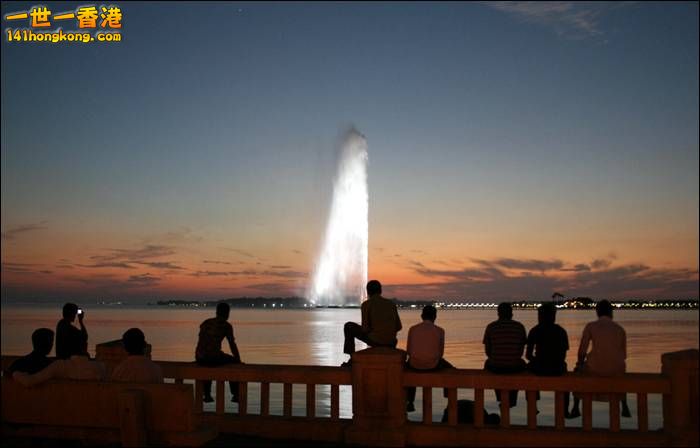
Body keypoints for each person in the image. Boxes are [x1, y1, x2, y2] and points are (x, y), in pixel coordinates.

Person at [569, 299, 631, 418]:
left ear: (597, 312)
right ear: (611, 312)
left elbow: (582, 351)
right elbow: (623, 355)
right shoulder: (620, 329)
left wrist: (580, 364)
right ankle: (624, 404)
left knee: (578, 373)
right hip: (615, 370)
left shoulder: (591, 326)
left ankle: (576, 407)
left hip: (595, 368)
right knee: (622, 371)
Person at [405, 305, 453, 412]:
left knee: (408, 368)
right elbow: (440, 354)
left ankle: (410, 401)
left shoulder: (412, 329)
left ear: (422, 316)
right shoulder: (440, 330)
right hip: (433, 365)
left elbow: (409, 351)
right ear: (435, 317)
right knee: (452, 370)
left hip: (415, 365)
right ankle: (448, 397)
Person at [526, 303, 570, 415]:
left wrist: (537, 360)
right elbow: (563, 355)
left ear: (540, 316)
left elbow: (528, 355)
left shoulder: (535, 330)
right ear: (553, 316)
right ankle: (564, 408)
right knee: (565, 375)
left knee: (527, 372)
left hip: (539, 367)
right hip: (557, 367)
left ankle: (532, 404)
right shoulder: (561, 331)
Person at [343, 280, 402, 363]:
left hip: (376, 341)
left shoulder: (366, 305)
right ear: (380, 291)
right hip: (392, 342)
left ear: (368, 292)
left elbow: (365, 329)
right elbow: (399, 327)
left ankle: (351, 357)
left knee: (348, 326)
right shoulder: (391, 304)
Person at [13, 334, 106, 387]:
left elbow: (30, 381)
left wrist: (15, 373)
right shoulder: (100, 367)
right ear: (84, 347)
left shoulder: (60, 365)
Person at [195, 302, 242, 403]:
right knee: (233, 363)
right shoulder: (226, 326)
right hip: (212, 357)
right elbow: (232, 345)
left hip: (199, 357)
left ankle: (207, 394)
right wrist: (238, 359)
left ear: (216, 312)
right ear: (227, 313)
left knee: (208, 364)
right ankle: (236, 394)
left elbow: (201, 340)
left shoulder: (206, 322)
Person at [483, 302, 527, 407]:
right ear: (511, 313)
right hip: (514, 366)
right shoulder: (519, 326)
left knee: (488, 363)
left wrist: (496, 358)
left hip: (496, 366)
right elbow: (521, 350)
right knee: (523, 365)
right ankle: (514, 398)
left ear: (498, 313)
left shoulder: (491, 327)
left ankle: (499, 395)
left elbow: (488, 351)